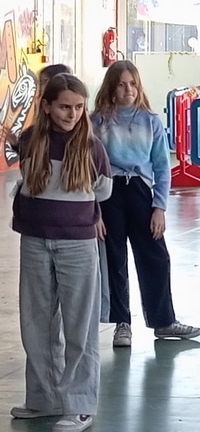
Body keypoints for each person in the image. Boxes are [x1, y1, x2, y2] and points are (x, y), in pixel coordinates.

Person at [10, 73, 113, 432]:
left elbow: (102, 192)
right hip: (35, 240)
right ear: (47, 107)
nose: (72, 114)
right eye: (65, 107)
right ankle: (44, 398)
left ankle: (80, 403)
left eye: (78, 107)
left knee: (79, 326)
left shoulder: (92, 148)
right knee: (36, 323)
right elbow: (26, 179)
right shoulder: (28, 142)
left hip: (77, 245)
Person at [91, 60, 200, 348]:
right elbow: (88, 169)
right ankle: (122, 323)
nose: (128, 89)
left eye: (133, 83)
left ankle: (163, 320)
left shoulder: (151, 121)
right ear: (111, 88)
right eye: (121, 84)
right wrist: (94, 213)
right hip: (108, 194)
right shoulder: (97, 122)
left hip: (140, 191)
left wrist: (159, 207)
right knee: (115, 259)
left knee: (156, 256)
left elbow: (163, 167)